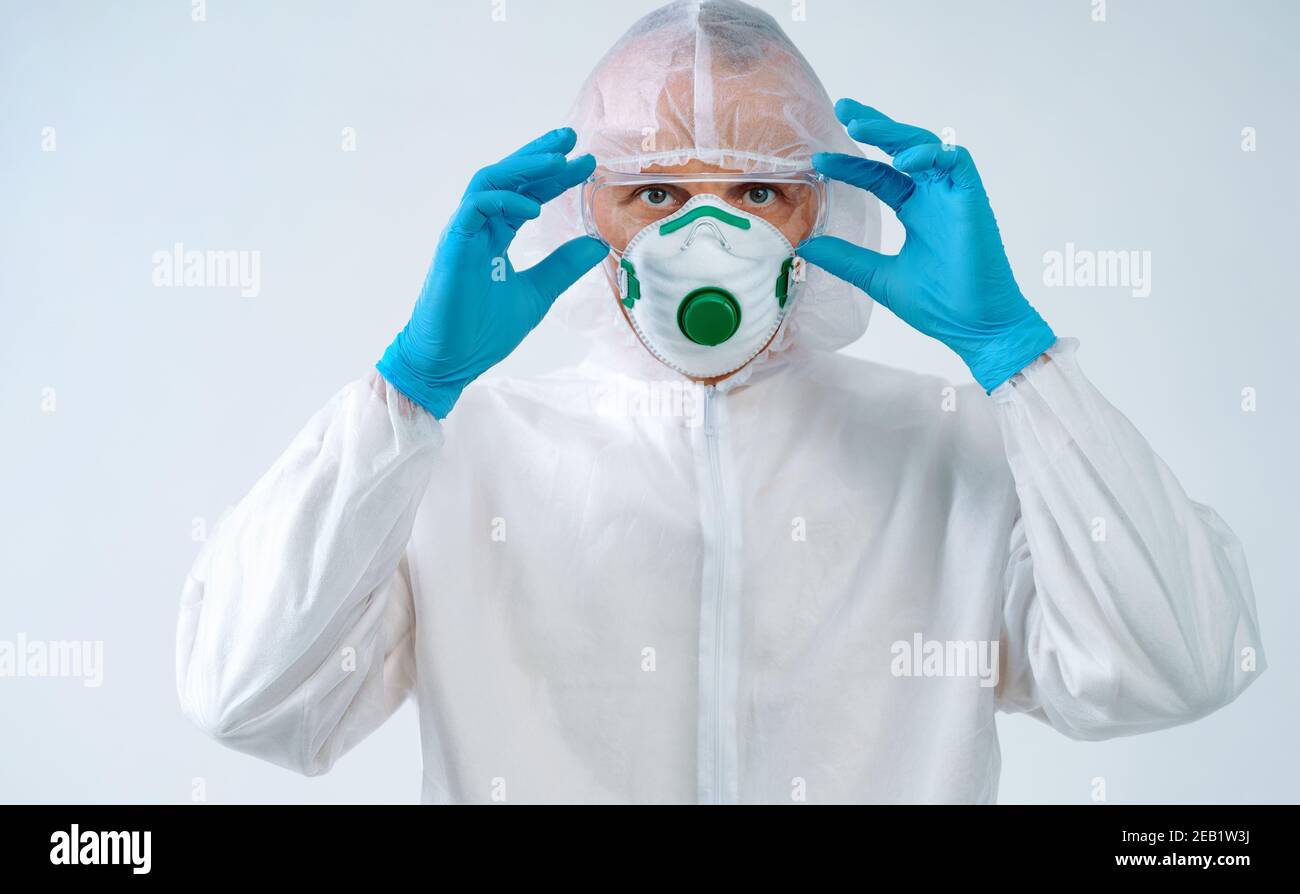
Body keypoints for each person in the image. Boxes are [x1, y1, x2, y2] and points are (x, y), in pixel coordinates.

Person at [175, 0, 1265, 804]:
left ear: (824, 208)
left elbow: (1177, 664)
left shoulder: (950, 454)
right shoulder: (464, 465)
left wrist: (1018, 361)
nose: (707, 239)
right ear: (582, 212)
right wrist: (405, 393)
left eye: (755, 188)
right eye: (655, 190)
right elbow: (245, 693)